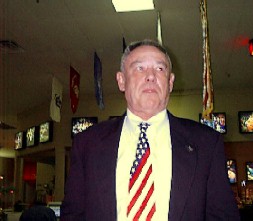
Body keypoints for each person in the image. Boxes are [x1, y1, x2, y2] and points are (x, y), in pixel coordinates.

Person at [60, 39, 240, 220]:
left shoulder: (206, 143)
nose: (151, 76)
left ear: (170, 82)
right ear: (121, 81)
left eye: (160, 69)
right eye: (139, 68)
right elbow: (72, 216)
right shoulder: (87, 144)